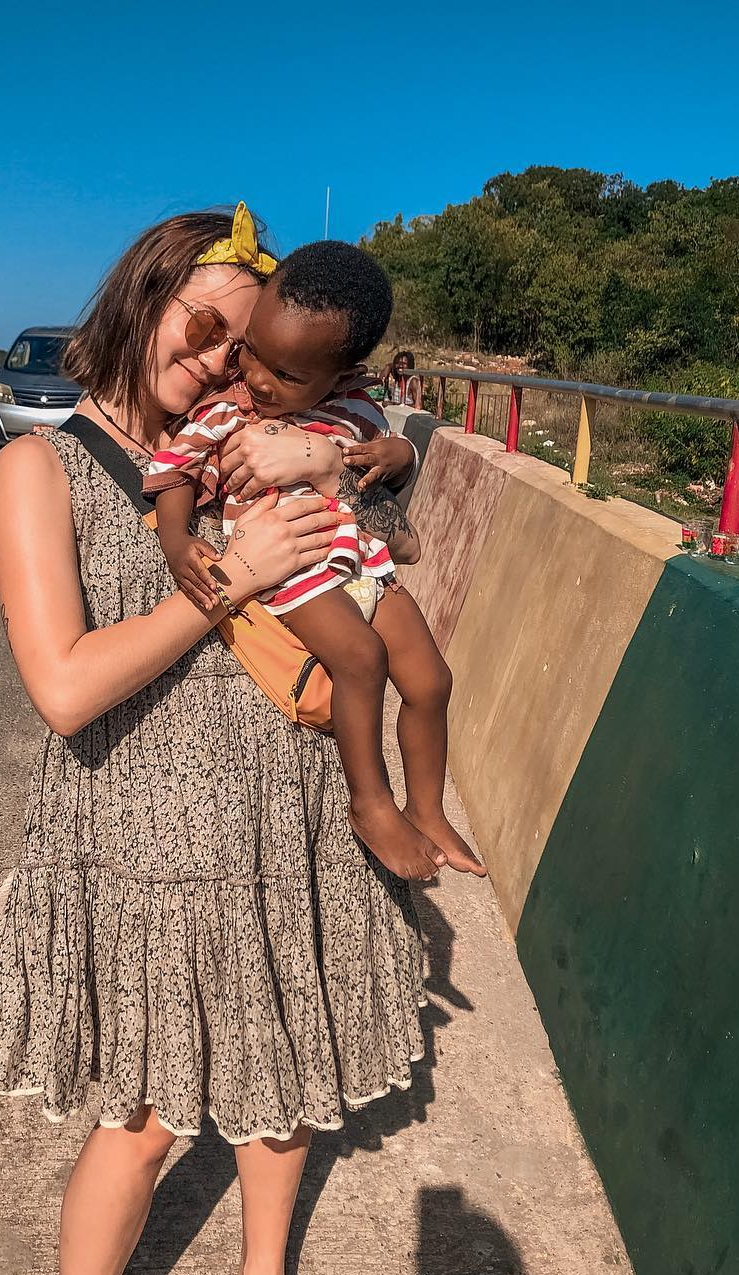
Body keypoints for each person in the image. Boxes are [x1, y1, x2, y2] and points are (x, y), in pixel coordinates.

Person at [0, 206, 433, 1275]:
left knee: (288, 1059)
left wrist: (355, 452)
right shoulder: (44, 465)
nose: (222, 358)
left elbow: (393, 536)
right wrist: (230, 577)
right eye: (206, 325)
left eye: (243, 340)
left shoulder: (257, 429)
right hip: (145, 839)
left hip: (291, 810)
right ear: (141, 299)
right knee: (144, 1116)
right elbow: (65, 688)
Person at [145, 241, 486, 882]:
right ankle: (371, 802)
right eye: (255, 355)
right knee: (361, 657)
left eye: (290, 375)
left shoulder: (355, 403)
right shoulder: (228, 410)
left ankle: (429, 809)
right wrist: (174, 539)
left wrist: (392, 455)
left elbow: (381, 455)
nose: (261, 381)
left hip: (364, 560)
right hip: (293, 566)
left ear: (344, 370)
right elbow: (176, 470)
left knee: (432, 681)